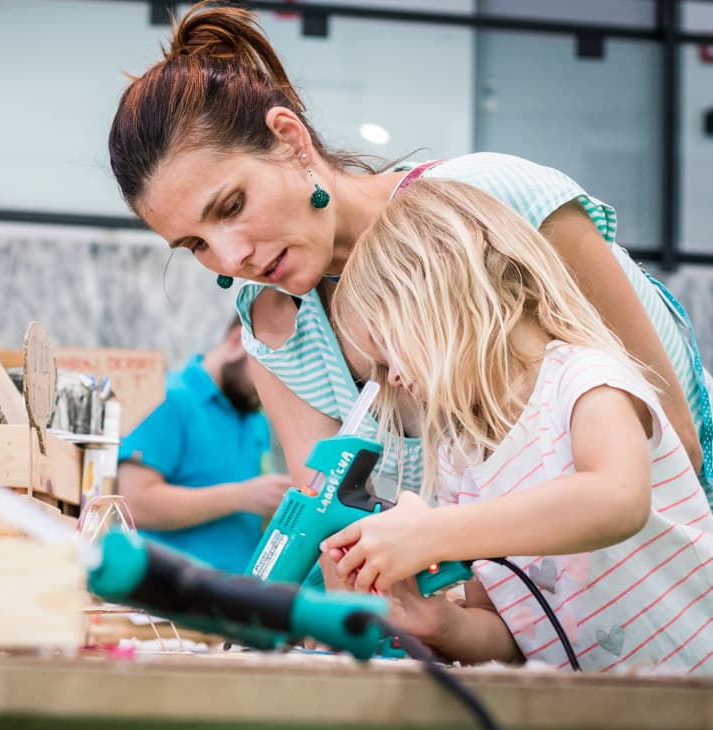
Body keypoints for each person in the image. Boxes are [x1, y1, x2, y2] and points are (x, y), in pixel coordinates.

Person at [107, 1, 713, 503]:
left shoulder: (496, 200)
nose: (230, 256)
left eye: (232, 205)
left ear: (290, 140)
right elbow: (332, 519)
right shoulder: (275, 332)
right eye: (195, 245)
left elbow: (674, 440)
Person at [316, 179, 713, 674]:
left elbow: (616, 500)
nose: (393, 378)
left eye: (387, 349)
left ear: (443, 294)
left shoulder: (584, 379)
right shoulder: (461, 455)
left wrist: (433, 533)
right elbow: (515, 634)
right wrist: (429, 620)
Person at [117, 317, 291, 573]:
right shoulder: (168, 396)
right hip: (166, 598)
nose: (275, 386)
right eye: (272, 370)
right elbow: (133, 502)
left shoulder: (255, 417)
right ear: (236, 342)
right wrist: (241, 496)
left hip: (233, 599)